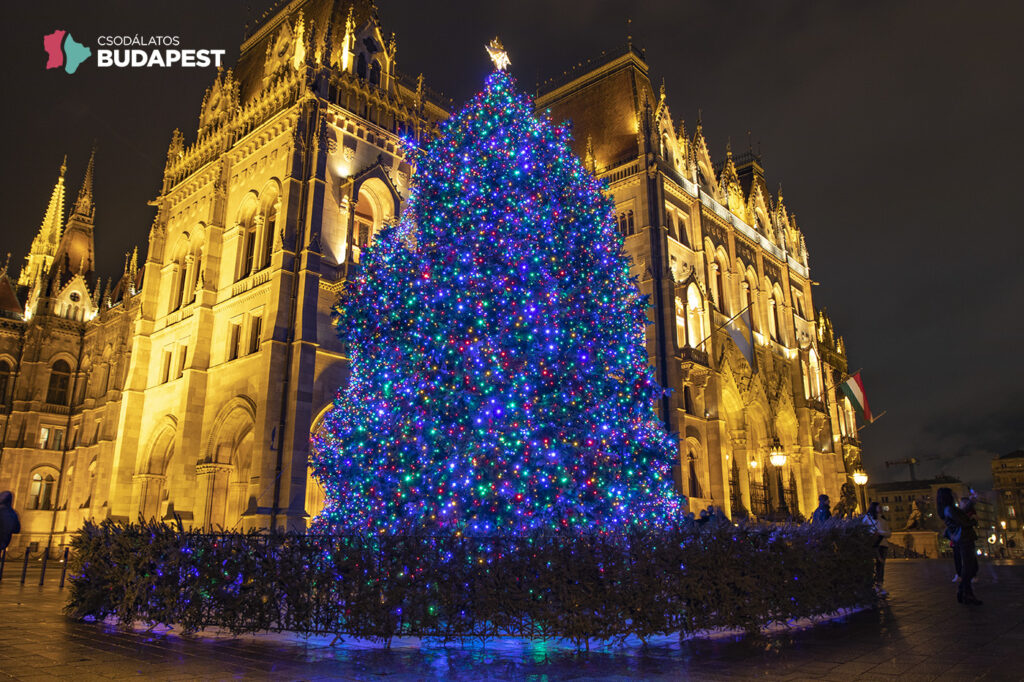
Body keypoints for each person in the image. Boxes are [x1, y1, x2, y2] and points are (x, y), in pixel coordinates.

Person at [937, 487, 981, 605]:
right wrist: (973, 521)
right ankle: (965, 592)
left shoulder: (948, 509)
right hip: (964, 538)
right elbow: (964, 521)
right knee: (968, 567)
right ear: (948, 496)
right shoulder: (949, 509)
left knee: (969, 566)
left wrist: (971, 502)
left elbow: (961, 513)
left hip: (963, 538)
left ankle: (964, 592)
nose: (954, 495)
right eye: (952, 494)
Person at [863, 501, 892, 596]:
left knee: (881, 566)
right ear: (874, 508)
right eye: (879, 507)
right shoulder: (867, 519)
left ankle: (879, 586)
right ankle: (870, 585)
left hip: (883, 545)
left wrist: (880, 532)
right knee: (871, 565)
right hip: (872, 545)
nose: (880, 509)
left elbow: (889, 534)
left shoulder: (883, 520)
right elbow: (863, 531)